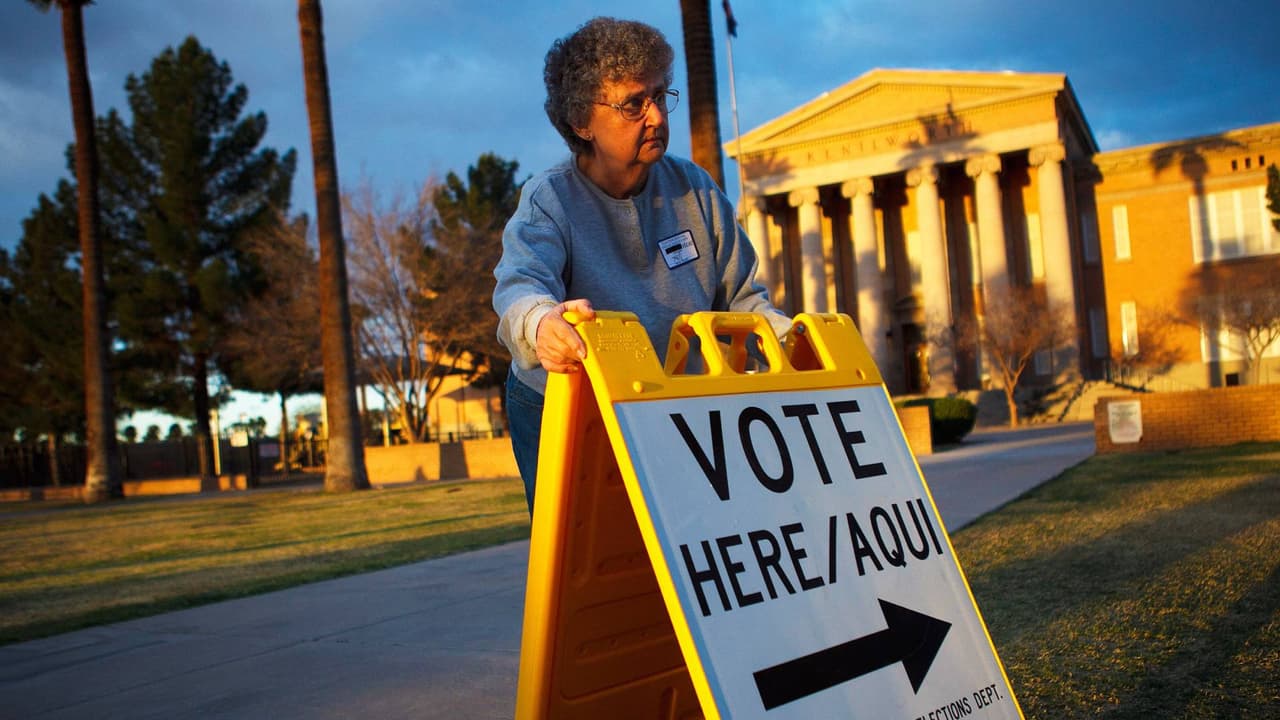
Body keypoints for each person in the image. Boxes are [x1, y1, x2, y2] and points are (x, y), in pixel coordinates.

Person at [492, 17, 789, 513]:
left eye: (659, 95)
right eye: (634, 104)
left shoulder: (695, 188)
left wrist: (788, 341)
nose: (655, 116)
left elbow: (742, 299)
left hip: (670, 401)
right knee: (583, 554)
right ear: (581, 120)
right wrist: (541, 323)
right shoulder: (550, 200)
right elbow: (522, 285)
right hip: (564, 402)